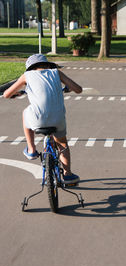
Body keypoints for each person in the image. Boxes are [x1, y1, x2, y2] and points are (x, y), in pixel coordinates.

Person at [3, 54, 82, 185]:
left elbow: (6, 94)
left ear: (31, 68)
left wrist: (16, 93)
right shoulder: (56, 73)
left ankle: (31, 149)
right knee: (62, 144)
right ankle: (68, 175)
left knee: (25, 112)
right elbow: (78, 89)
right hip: (58, 119)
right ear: (47, 65)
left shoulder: (26, 76)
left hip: (37, 119)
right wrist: (69, 89)